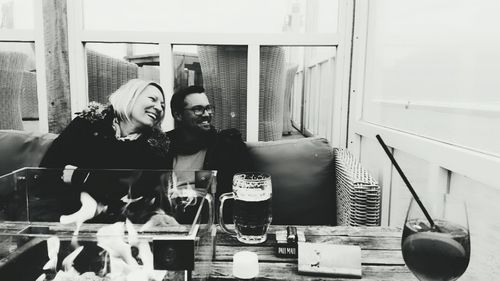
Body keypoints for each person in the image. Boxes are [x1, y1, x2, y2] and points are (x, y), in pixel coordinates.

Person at [37, 79, 171, 223]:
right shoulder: (87, 124)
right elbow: (50, 169)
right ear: (130, 97)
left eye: (162, 105)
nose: (159, 108)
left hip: (120, 221)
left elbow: (135, 194)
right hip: (64, 209)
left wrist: (80, 176)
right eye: (153, 99)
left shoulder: (156, 147)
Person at [164, 86, 250, 222]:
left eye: (208, 108)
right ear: (178, 115)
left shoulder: (227, 145)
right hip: (167, 221)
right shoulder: (163, 145)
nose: (206, 114)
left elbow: (243, 193)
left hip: (210, 221)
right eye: (198, 109)